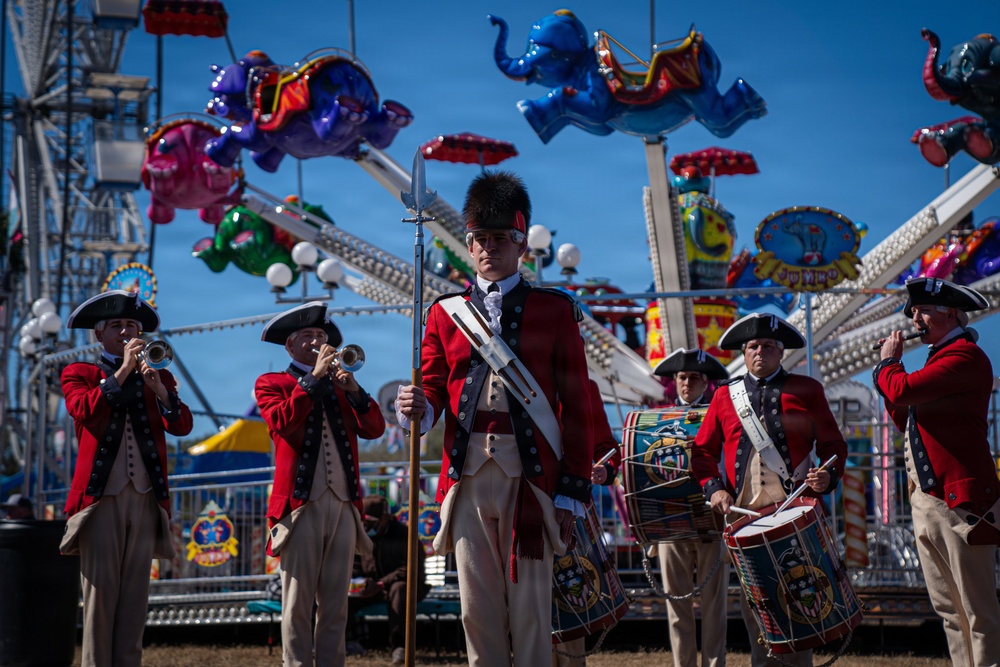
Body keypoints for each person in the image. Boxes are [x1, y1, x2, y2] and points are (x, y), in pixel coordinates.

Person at [396, 170, 594, 666]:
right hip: (464, 475)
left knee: (530, 609)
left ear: (521, 243)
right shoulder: (444, 313)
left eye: (501, 238)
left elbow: (577, 406)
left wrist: (571, 489)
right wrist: (418, 406)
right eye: (480, 238)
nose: (489, 248)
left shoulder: (555, 310)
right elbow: (436, 386)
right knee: (475, 611)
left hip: (531, 478)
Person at [691, 313, 847, 667]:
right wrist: (715, 490)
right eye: (752, 347)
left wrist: (827, 475)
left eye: (768, 347)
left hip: (795, 515)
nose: (760, 352)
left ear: (781, 353)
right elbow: (701, 453)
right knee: (756, 608)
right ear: (744, 354)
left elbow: (834, 445)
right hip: (744, 520)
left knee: (799, 601)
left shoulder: (808, 390)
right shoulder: (723, 397)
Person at [59, 290, 193, 667]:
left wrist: (161, 391)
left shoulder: (159, 374)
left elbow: (182, 425)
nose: (126, 332)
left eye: (132, 326)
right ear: (98, 335)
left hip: (146, 497)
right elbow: (85, 410)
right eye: (116, 326)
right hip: (102, 498)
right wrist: (121, 372)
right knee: (100, 600)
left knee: (136, 599)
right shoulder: (80, 373)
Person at [873, 277, 1000, 666]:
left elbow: (903, 390)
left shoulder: (964, 356)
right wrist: (890, 376)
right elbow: (906, 416)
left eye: (922, 310)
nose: (914, 319)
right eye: (914, 312)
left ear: (949, 313)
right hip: (930, 499)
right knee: (949, 610)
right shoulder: (940, 360)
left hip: (962, 502)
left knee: (978, 609)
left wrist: (888, 364)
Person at [255, 302, 386, 667]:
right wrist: (312, 379)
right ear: (290, 345)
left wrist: (356, 389)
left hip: (343, 505)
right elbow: (283, 421)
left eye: (322, 336)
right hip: (299, 508)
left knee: (335, 600)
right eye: (309, 336)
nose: (318, 342)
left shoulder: (342, 385)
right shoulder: (271, 383)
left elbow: (375, 429)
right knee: (297, 600)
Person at [652, 348, 730, 667]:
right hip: (670, 521)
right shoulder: (656, 419)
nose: (687, 383)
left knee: (715, 605)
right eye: (682, 377)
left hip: (711, 518)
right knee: (676, 607)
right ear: (675, 381)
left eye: (694, 378)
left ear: (706, 382)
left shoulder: (722, 415)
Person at [552, 380, 623, 667]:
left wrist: (605, 469)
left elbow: (607, 447)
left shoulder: (586, 387)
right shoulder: (516, 378)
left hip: (570, 505)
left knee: (571, 598)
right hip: (523, 505)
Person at [348, 494, 429, 665]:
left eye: (371, 521)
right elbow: (355, 562)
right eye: (365, 521)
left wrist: (380, 584)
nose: (367, 526)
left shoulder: (405, 535)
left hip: (405, 587)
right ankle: (349, 640)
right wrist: (358, 581)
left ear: (385, 518)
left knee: (399, 590)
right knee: (341, 593)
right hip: (374, 587)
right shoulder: (361, 535)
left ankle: (400, 645)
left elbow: (410, 569)